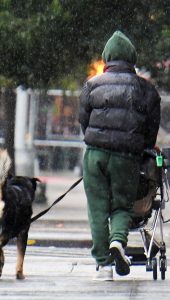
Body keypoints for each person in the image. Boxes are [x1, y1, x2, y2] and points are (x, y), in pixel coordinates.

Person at [79, 30, 161, 281]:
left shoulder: (92, 85)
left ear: (107, 58)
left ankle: (104, 265)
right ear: (132, 59)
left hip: (95, 155)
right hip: (126, 156)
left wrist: (96, 140)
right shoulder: (146, 89)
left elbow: (84, 120)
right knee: (122, 204)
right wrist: (143, 147)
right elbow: (151, 127)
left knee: (97, 209)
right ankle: (118, 241)